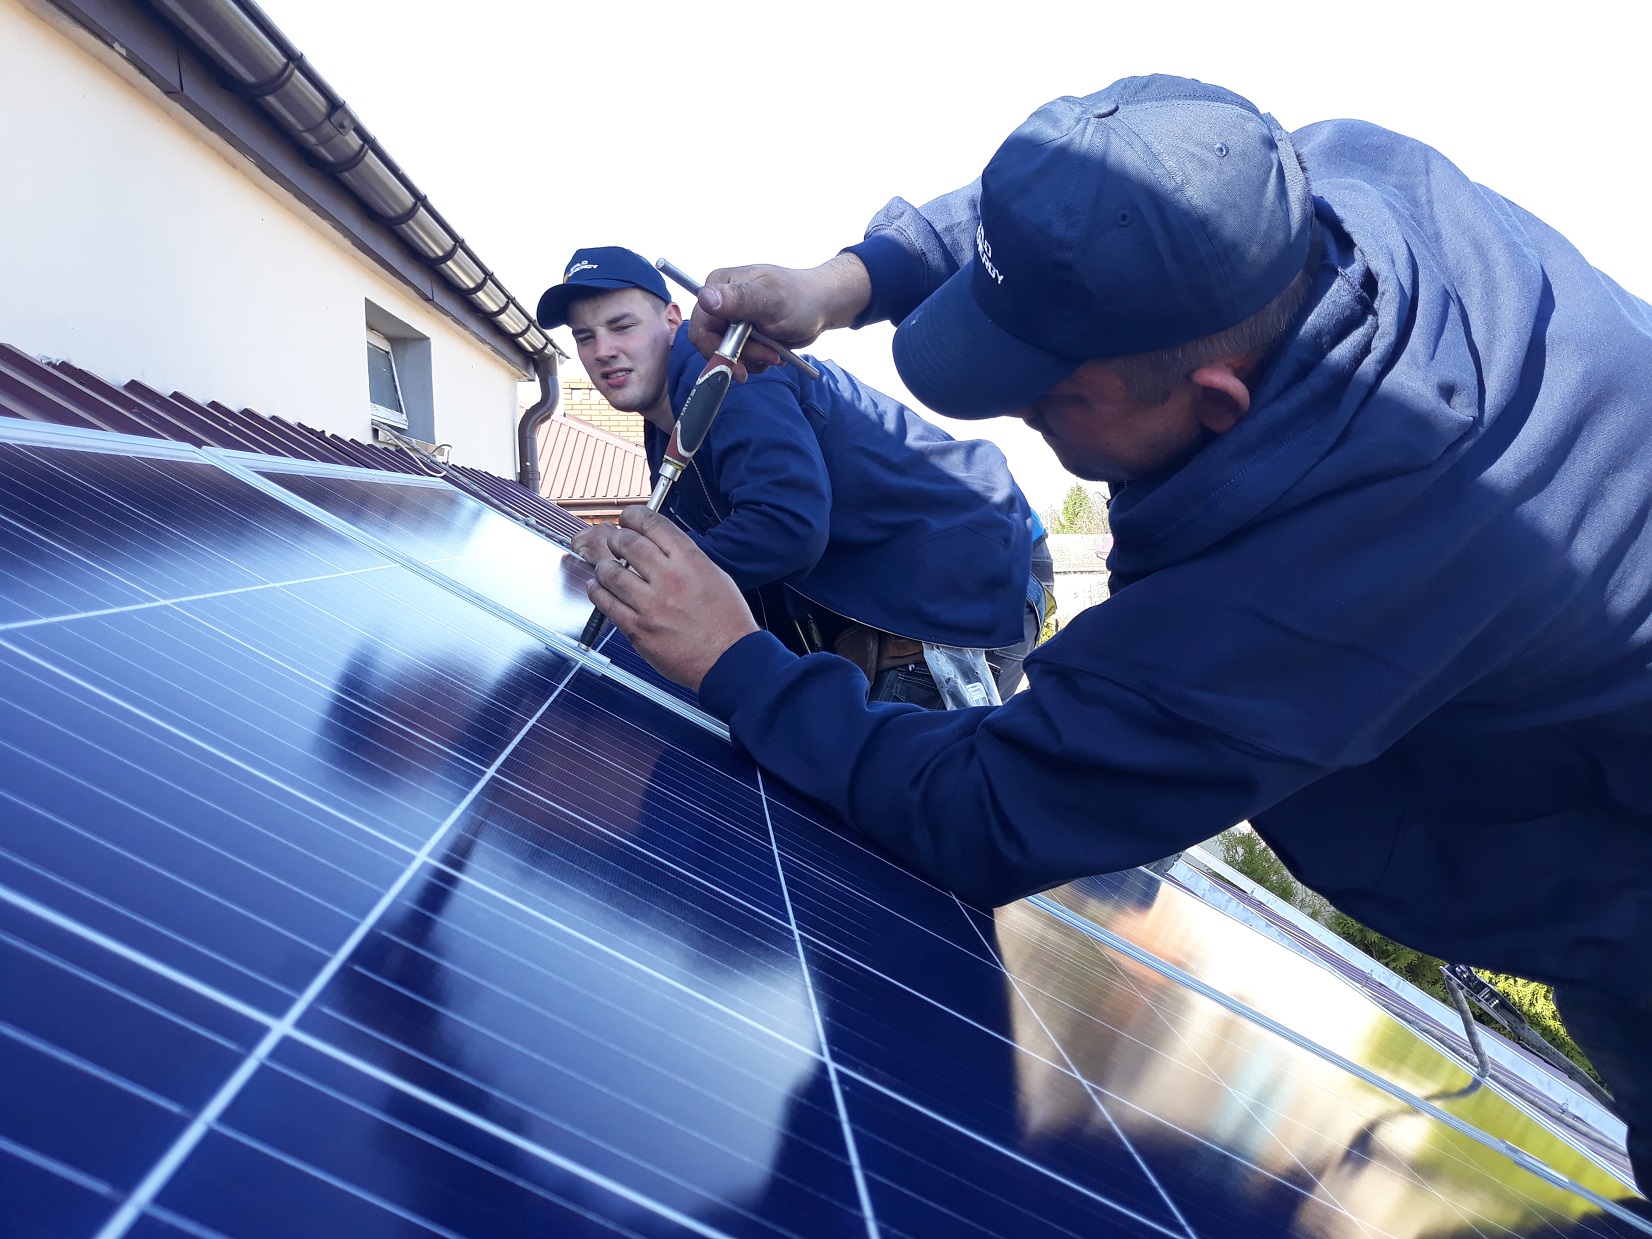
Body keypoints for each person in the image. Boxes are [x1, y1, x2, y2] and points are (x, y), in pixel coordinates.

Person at [575, 77, 1652, 1191]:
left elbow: (994, 805)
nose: (1009, 412)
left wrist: (732, 658)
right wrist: (846, 283)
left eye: (1044, 395)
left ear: (1215, 398)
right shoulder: (1321, 184)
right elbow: (1087, 216)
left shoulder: (1326, 573)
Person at [536, 246, 1039, 707]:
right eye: (585, 337)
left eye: (620, 326)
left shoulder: (730, 373)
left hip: (970, 564)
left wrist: (632, 575)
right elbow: (716, 552)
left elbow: (785, 526)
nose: (602, 349)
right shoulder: (661, 427)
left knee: (876, 780)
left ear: (672, 320)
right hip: (903, 587)